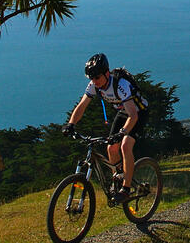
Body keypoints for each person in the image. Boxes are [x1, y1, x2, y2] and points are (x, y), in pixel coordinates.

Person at [63, 53, 148, 203]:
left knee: (125, 145)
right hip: (123, 112)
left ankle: (126, 189)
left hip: (138, 112)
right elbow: (82, 106)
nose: (94, 81)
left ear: (106, 73)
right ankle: (118, 180)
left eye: (97, 77)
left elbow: (133, 116)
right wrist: (71, 124)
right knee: (111, 148)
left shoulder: (121, 85)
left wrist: (122, 133)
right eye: (91, 78)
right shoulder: (94, 85)